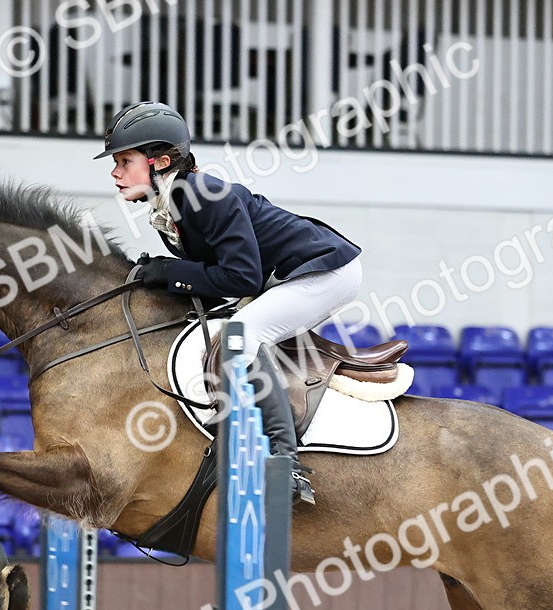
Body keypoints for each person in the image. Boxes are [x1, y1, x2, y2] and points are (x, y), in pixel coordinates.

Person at [95, 101, 363, 508]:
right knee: (232, 328)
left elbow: (241, 278)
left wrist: (170, 272)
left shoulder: (206, 194)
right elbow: (216, 280)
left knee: (242, 335)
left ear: (161, 161)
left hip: (325, 271)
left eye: (124, 160)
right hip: (284, 276)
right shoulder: (172, 205)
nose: (115, 172)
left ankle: (286, 461)